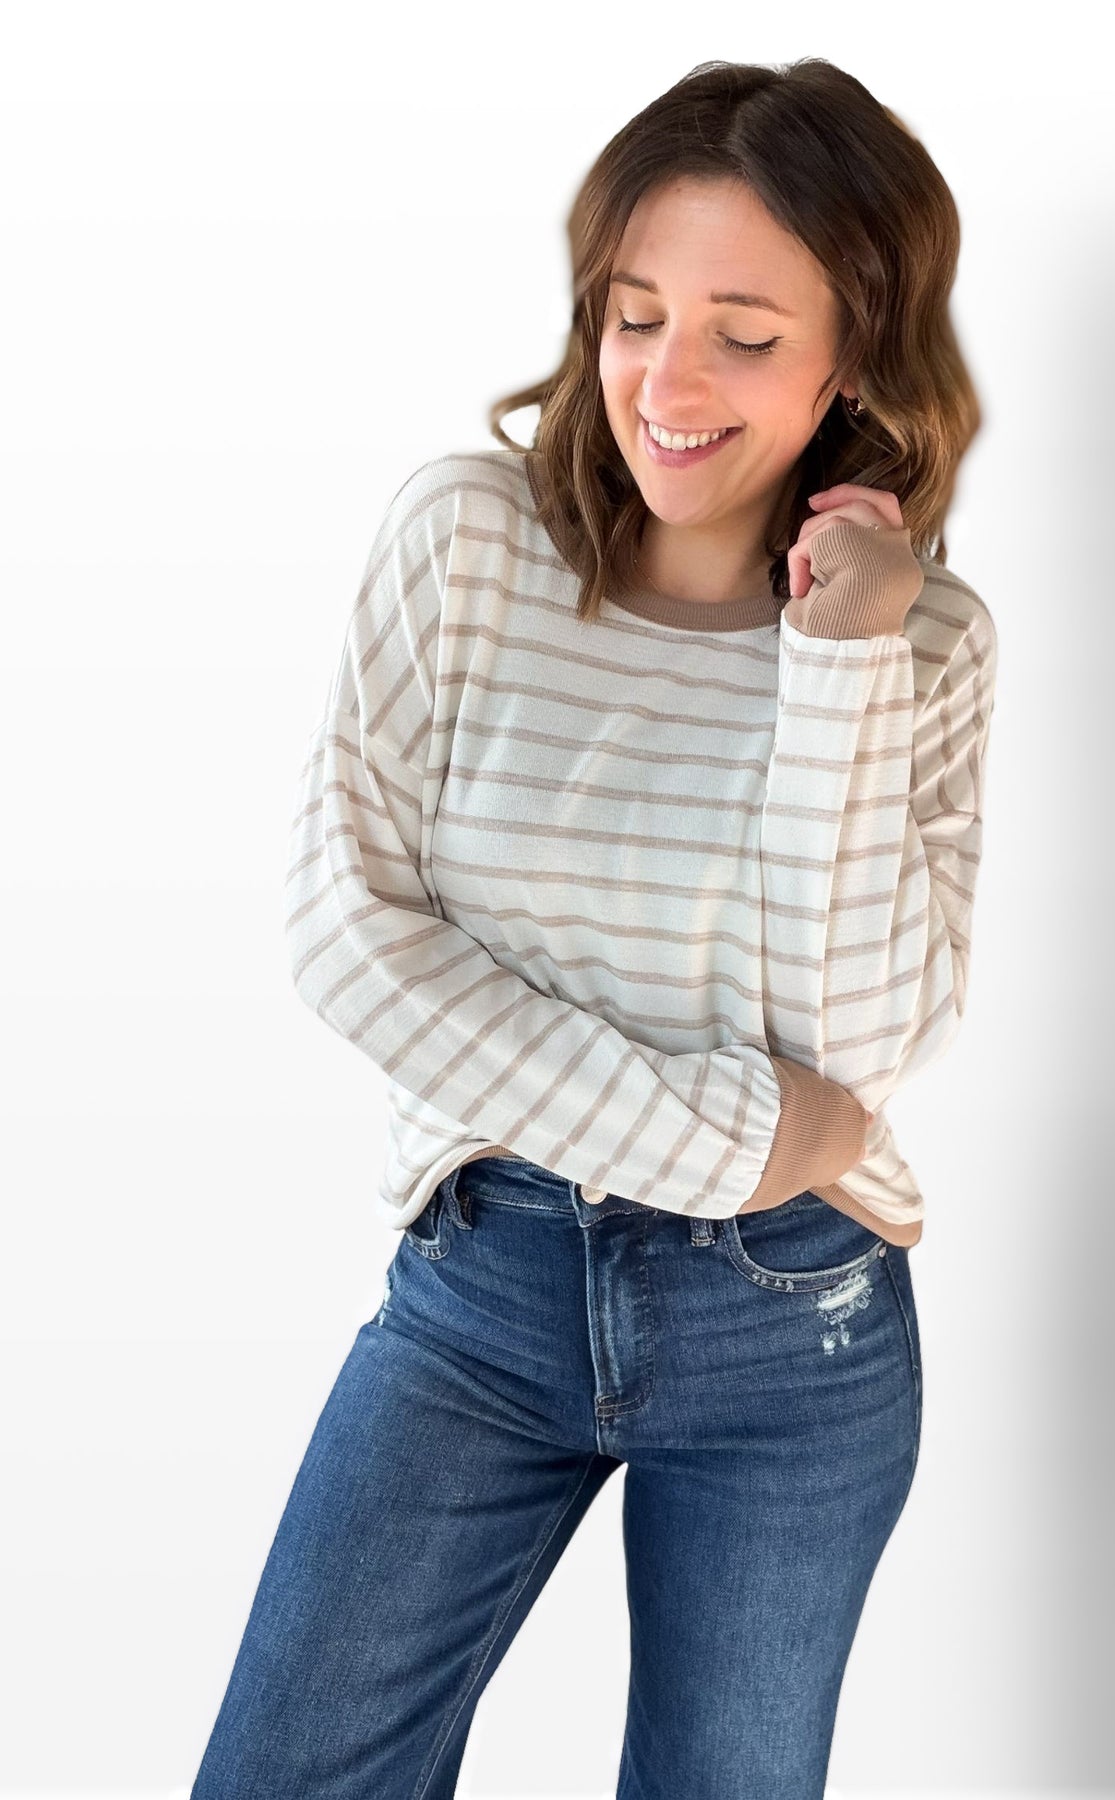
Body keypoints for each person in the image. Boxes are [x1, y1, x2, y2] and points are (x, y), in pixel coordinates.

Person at [190, 54, 997, 1799]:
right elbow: (347, 933)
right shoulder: (464, 542)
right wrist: (726, 1134)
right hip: (479, 1289)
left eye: (745, 334)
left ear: (854, 353)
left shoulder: (922, 646)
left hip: (797, 1326)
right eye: (634, 315)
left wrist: (843, 664)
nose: (667, 381)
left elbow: (859, 1042)